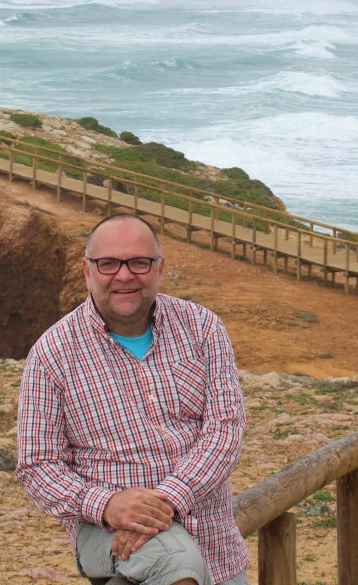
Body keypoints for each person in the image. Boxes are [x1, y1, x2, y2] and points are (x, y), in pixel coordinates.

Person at [17, 213, 248, 585]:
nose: (124, 275)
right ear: (86, 270)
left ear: (159, 268)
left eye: (139, 262)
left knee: (183, 559)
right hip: (108, 536)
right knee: (176, 563)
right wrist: (107, 506)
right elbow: (37, 465)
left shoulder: (203, 327)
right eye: (108, 263)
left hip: (216, 545)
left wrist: (165, 501)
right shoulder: (52, 353)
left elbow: (225, 429)